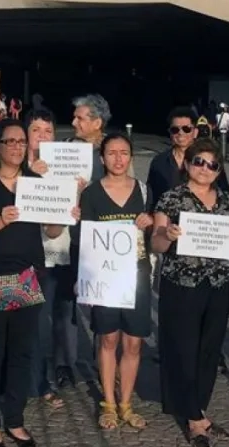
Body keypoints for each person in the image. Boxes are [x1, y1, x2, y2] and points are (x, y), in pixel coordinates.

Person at [0, 119, 79, 447]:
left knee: (22, 352)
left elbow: (53, 233)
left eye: (20, 142)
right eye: (9, 141)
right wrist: (3, 218)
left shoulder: (36, 181)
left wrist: (64, 215)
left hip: (29, 277)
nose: (16, 147)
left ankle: (14, 418)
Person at [151, 137, 229, 447]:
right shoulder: (171, 199)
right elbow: (156, 244)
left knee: (209, 348)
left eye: (212, 164)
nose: (205, 169)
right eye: (199, 162)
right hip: (182, 284)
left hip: (218, 283)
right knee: (183, 347)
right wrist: (166, 234)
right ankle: (193, 417)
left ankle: (199, 407)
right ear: (187, 164)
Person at [71, 133, 153, 430]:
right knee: (107, 339)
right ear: (102, 158)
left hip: (137, 277)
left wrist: (150, 225)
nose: (118, 159)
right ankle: (107, 402)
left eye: (124, 153)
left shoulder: (144, 191)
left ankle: (126, 403)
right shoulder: (91, 194)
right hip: (105, 278)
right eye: (112, 153)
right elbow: (84, 241)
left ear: (131, 157)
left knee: (133, 344)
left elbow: (154, 240)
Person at [23, 108, 76, 408]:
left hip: (62, 252)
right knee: (35, 321)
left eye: (48, 131)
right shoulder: (19, 165)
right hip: (31, 255)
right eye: (36, 130)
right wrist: (33, 176)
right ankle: (38, 380)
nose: (42, 136)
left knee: (61, 317)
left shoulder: (66, 165)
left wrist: (78, 192)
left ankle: (61, 369)